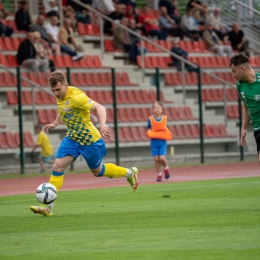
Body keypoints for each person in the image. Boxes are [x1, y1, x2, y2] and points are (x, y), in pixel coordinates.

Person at [30, 70, 139, 216]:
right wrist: (56, 122)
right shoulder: (61, 95)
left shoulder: (77, 97)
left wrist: (102, 124)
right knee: (57, 166)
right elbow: (63, 107)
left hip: (89, 140)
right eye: (53, 90)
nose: (55, 93)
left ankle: (130, 173)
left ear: (66, 85)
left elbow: (100, 107)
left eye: (58, 90)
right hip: (72, 138)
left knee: (97, 171)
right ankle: (48, 208)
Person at [229, 53, 260, 163]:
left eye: (234, 71)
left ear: (242, 69)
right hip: (257, 129)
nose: (233, 75)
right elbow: (246, 107)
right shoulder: (240, 85)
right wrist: (243, 128)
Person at [146, 101, 172, 182]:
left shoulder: (164, 118)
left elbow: (167, 129)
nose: (157, 109)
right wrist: (151, 133)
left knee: (162, 158)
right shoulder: (150, 119)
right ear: (153, 109)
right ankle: (159, 174)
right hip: (154, 142)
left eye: (159, 108)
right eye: (156, 108)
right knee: (156, 159)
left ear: (162, 110)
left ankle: (166, 167)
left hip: (162, 142)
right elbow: (148, 129)